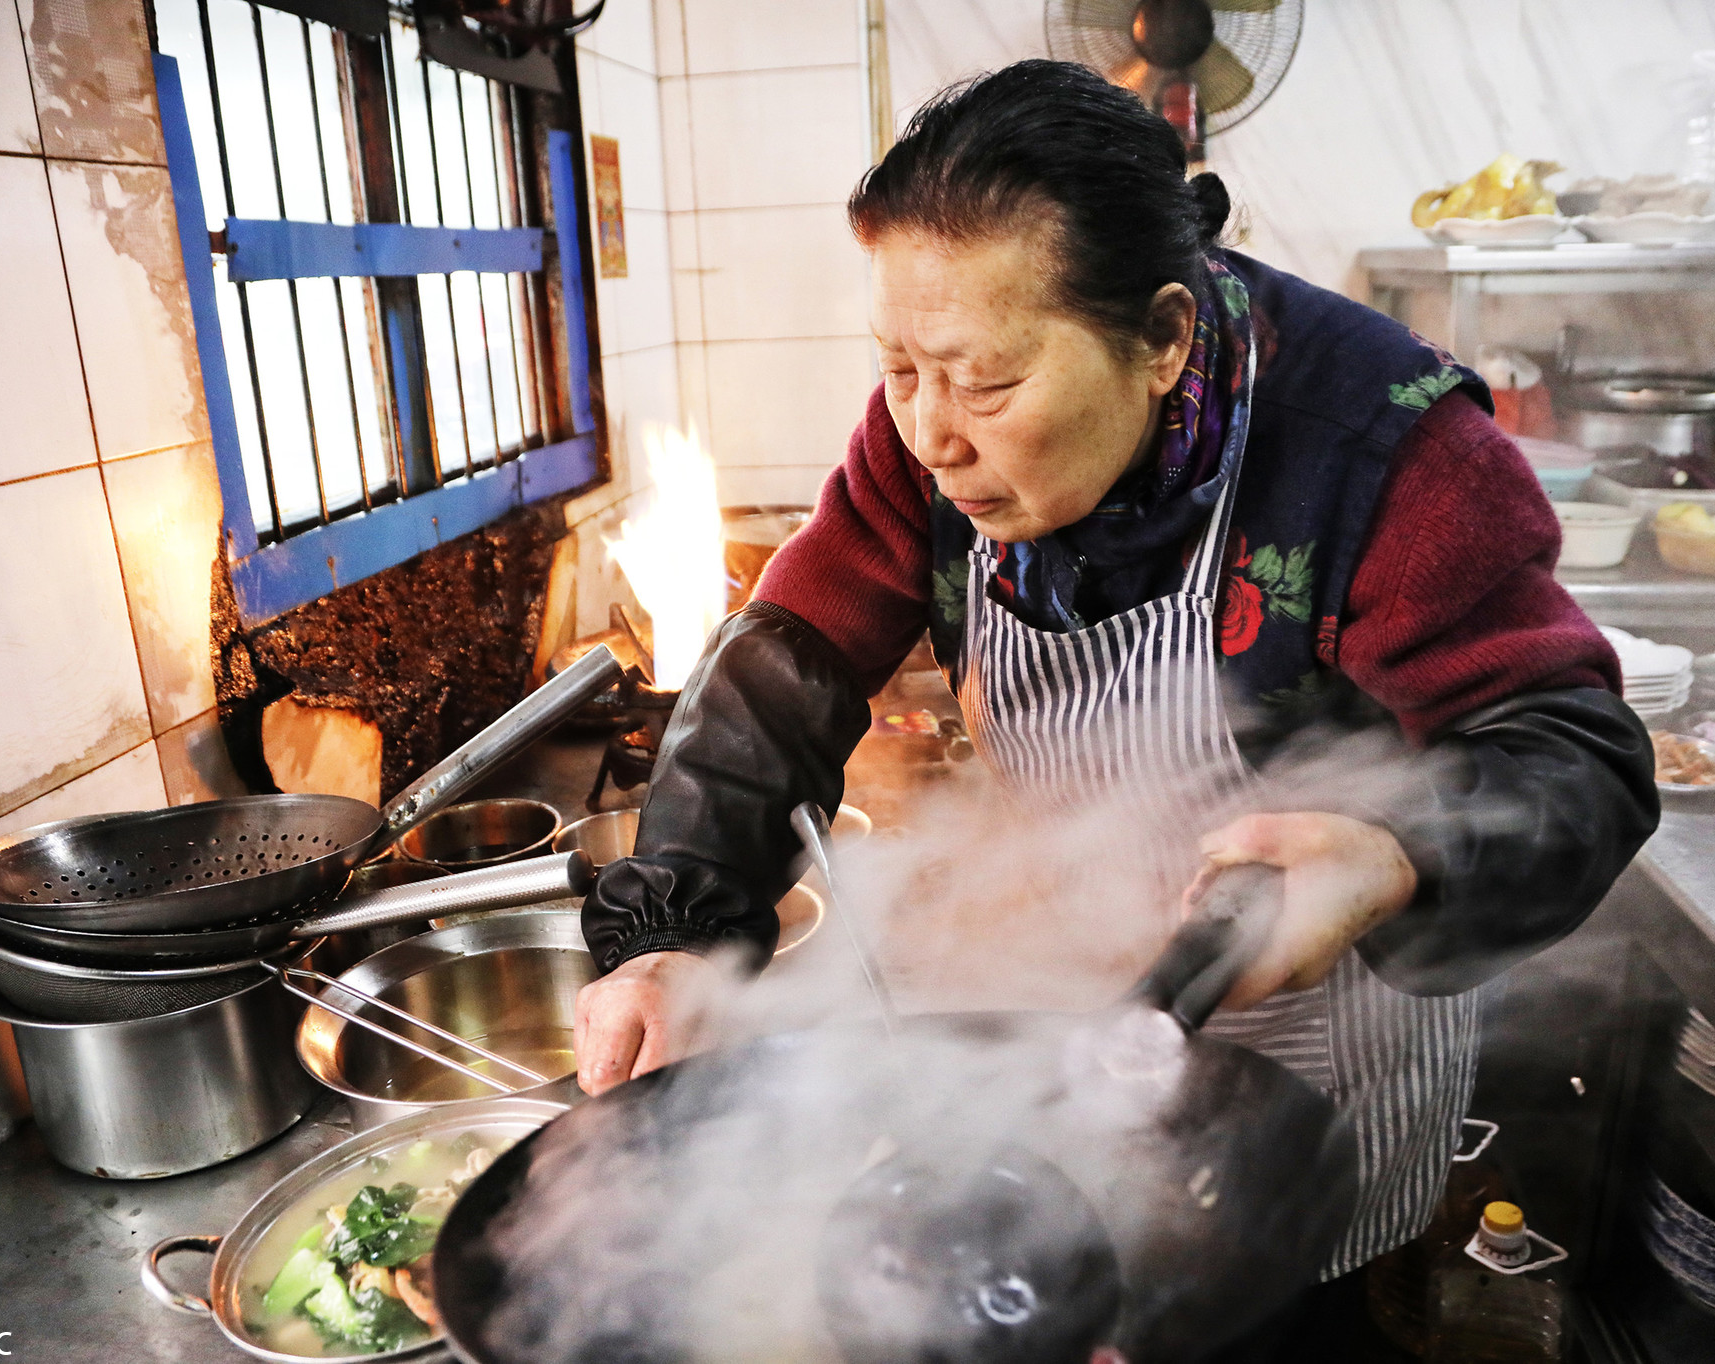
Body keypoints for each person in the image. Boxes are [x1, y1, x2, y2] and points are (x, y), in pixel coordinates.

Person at [575, 58, 1657, 1351]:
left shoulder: (1386, 449)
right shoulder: (924, 435)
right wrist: (677, 927)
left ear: (1162, 339)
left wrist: (1392, 852)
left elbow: (1575, 758)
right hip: (1051, 1020)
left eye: (983, 382)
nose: (930, 432)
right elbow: (784, 664)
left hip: (1305, 1080)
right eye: (898, 369)